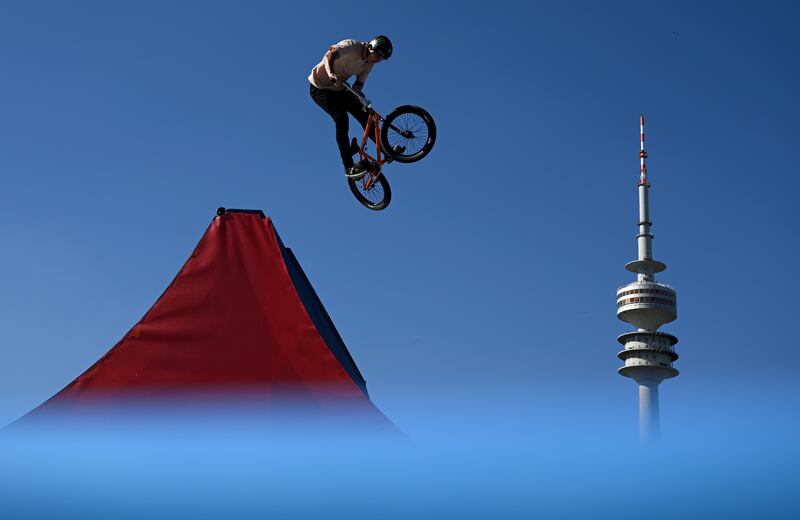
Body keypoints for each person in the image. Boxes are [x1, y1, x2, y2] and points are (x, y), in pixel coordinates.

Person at [308, 36, 393, 180]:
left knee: (365, 116)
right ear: (371, 47)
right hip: (320, 88)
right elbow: (329, 55)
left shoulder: (369, 64)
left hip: (340, 89)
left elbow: (358, 84)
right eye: (378, 55)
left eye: (382, 59)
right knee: (341, 118)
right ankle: (349, 167)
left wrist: (360, 97)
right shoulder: (351, 46)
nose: (378, 60)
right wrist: (332, 74)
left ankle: (386, 149)